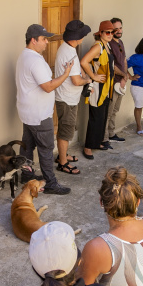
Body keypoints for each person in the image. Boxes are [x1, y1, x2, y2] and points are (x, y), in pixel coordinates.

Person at [15, 24, 72, 195]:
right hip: (39, 115)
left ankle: (26, 175)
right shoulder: (34, 60)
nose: (47, 42)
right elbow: (48, 87)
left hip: (27, 112)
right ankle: (50, 184)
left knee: (27, 146)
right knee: (46, 150)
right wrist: (66, 74)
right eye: (44, 39)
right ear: (33, 40)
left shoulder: (24, 56)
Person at [53, 19, 92, 175]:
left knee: (66, 129)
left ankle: (63, 155)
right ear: (77, 37)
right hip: (67, 99)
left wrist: (81, 74)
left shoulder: (67, 48)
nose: (84, 37)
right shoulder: (68, 52)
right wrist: (88, 80)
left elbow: (75, 74)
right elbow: (76, 81)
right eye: (83, 35)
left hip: (68, 97)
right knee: (65, 132)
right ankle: (62, 163)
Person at [79, 20, 117, 160]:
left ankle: (97, 142)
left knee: (102, 116)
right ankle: (88, 146)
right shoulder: (98, 46)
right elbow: (84, 62)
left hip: (107, 87)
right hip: (98, 88)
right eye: (107, 32)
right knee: (96, 118)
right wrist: (93, 76)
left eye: (112, 32)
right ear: (100, 33)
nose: (110, 34)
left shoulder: (107, 46)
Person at [103, 17, 128, 146]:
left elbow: (123, 60)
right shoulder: (109, 44)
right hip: (113, 83)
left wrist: (126, 75)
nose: (118, 31)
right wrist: (123, 75)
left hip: (121, 83)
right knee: (108, 111)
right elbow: (111, 65)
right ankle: (105, 138)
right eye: (115, 29)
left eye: (120, 28)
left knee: (115, 111)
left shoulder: (120, 42)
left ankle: (111, 134)